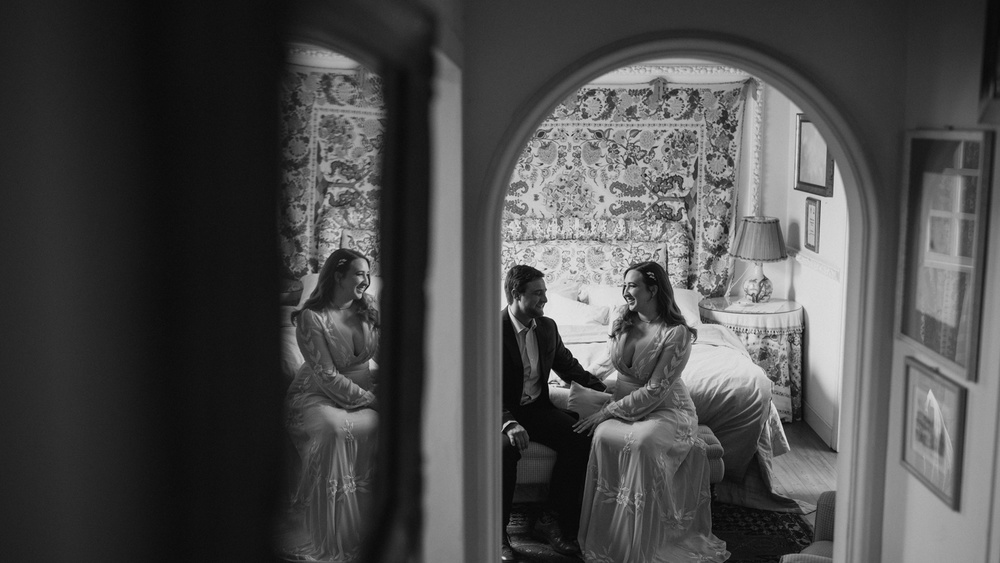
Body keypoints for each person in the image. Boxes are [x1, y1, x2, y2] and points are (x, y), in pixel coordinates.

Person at [573, 261, 730, 563]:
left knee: (643, 443)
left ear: (653, 290)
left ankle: (644, 542)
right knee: (602, 436)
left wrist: (608, 411)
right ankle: (613, 538)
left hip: (668, 409)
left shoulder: (676, 333)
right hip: (624, 403)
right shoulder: (623, 318)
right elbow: (608, 361)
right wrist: (581, 380)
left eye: (632, 285)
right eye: (624, 284)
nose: (625, 291)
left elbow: (657, 390)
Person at [501, 265, 608, 562]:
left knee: (580, 437)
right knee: (504, 451)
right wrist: (508, 423)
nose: (545, 299)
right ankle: (498, 533)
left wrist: (608, 395)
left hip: (537, 409)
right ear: (516, 294)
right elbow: (480, 386)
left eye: (545, 292)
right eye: (538, 293)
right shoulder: (490, 329)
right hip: (503, 414)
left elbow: (570, 368)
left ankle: (550, 519)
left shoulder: (547, 327)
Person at [283, 248, 380, 562]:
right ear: (338, 276)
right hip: (315, 395)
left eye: (368, 274)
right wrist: (371, 400)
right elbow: (326, 375)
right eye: (359, 273)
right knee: (334, 430)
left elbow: (386, 351)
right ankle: (330, 537)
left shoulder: (369, 307)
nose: (366, 280)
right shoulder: (311, 317)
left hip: (362, 390)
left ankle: (367, 531)